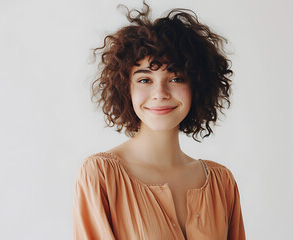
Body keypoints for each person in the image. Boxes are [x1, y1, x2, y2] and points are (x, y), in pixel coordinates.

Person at [72, 1, 245, 239]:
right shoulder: (100, 175)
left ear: (197, 86)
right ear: (126, 88)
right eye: (145, 80)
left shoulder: (221, 183)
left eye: (176, 79)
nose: (160, 93)